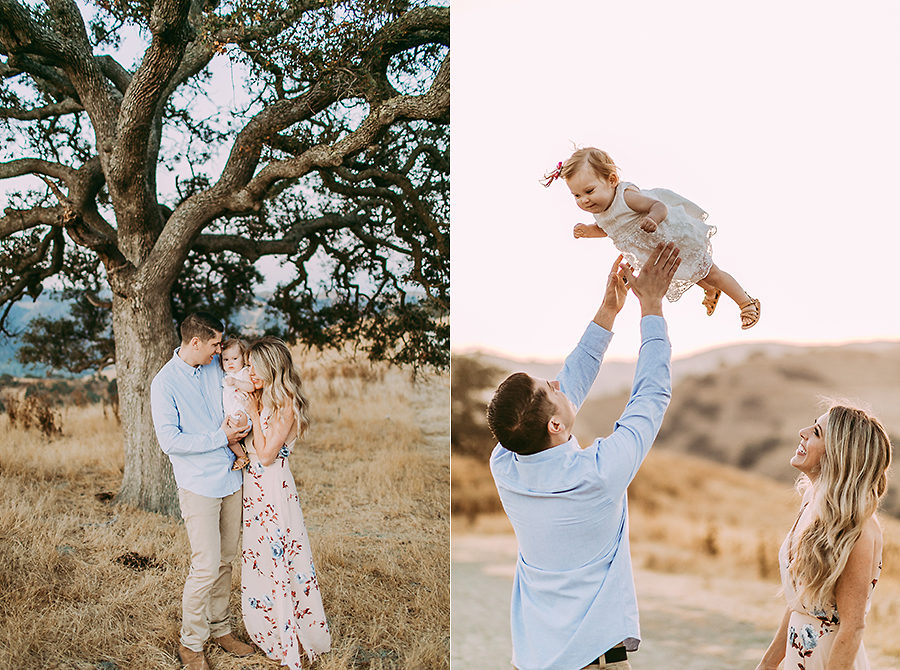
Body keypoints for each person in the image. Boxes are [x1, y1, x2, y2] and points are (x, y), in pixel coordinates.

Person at [488, 243, 681, 670]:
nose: (559, 383)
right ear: (555, 427)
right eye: (549, 388)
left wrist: (607, 313)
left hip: (534, 657)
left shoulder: (505, 464)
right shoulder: (598, 474)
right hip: (593, 660)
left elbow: (561, 392)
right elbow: (651, 394)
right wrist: (652, 307)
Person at [543, 147, 760, 329]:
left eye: (589, 191)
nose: (584, 200)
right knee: (691, 274)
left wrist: (653, 220)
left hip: (673, 239)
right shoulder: (600, 211)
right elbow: (608, 229)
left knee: (712, 272)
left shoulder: (627, 198)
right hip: (657, 252)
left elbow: (659, 206)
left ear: (612, 180)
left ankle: (746, 303)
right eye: (577, 195)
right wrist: (589, 231)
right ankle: (711, 290)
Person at [150, 312, 255, 670]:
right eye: (214, 344)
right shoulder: (164, 384)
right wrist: (220, 438)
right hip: (198, 485)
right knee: (206, 565)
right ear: (196, 342)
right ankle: (191, 644)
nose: (219, 349)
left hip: (231, 478)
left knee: (226, 560)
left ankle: (221, 628)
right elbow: (170, 441)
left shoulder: (216, 367)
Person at [756, 405, 892, 670]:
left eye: (816, 432)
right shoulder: (812, 504)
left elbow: (852, 627)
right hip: (797, 658)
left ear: (839, 455)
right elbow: (801, 603)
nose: (803, 433)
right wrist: (767, 665)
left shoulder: (858, 527)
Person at [238, 337, 331, 668]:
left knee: (281, 558)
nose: (249, 372)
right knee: (261, 556)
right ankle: (269, 625)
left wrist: (252, 411)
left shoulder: (286, 403)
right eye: (247, 365)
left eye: (253, 366)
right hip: (256, 488)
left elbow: (265, 455)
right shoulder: (262, 397)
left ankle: (293, 631)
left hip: (273, 487)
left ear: (269, 367)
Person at [220, 337, 254, 471]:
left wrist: (236, 382)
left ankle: (242, 456)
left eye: (235, 359)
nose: (230, 363)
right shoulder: (226, 374)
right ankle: (242, 456)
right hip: (230, 415)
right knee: (228, 438)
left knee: (232, 434)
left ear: (243, 358)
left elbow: (250, 387)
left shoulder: (242, 373)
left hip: (242, 413)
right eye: (226, 359)